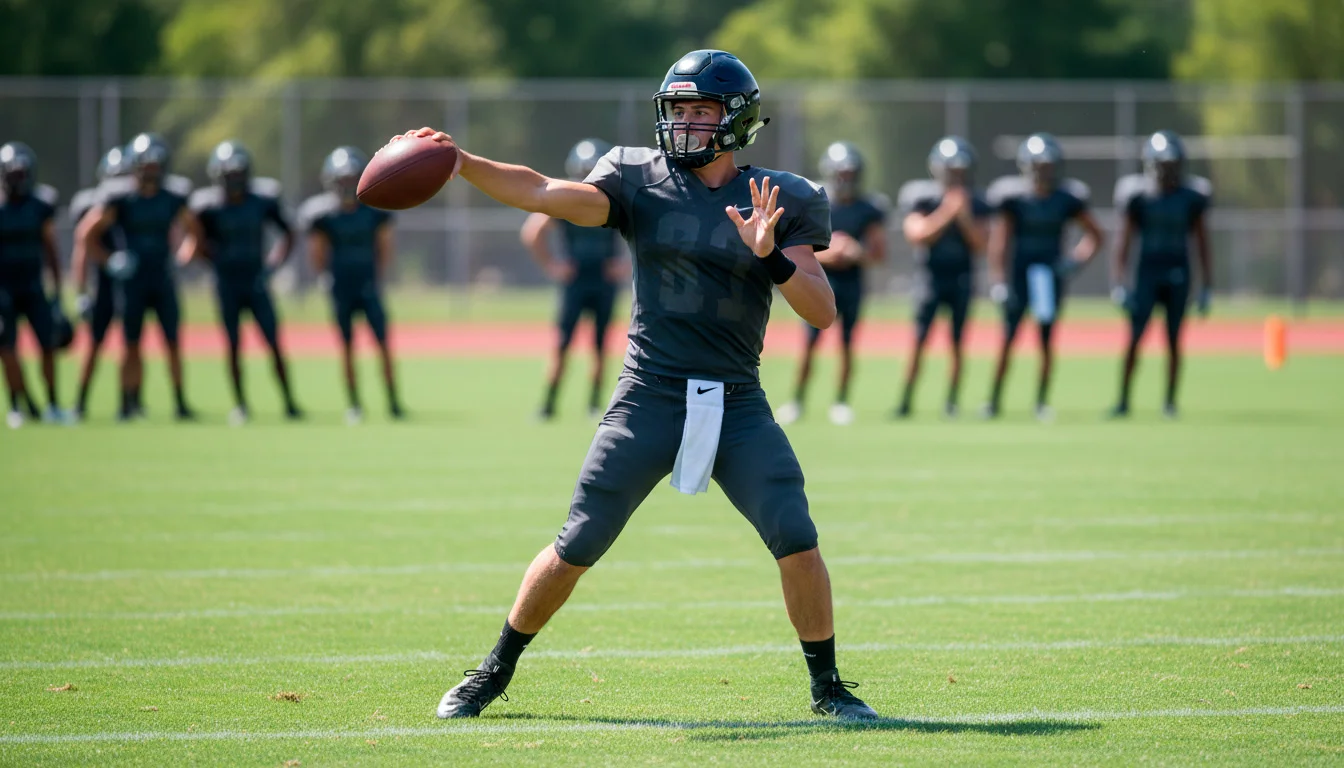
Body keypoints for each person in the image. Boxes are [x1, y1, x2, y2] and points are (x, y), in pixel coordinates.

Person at [405, 49, 878, 722]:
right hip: (649, 393)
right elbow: (543, 192)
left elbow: (822, 311)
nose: (684, 123)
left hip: (735, 399)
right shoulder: (637, 178)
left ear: (737, 119)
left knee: (795, 535)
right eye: (677, 109)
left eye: (701, 110)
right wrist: (463, 163)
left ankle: (827, 688)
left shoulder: (779, 197)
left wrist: (769, 255)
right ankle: (492, 671)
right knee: (578, 542)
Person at [76, 132, 200, 422]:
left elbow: (193, 230)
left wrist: (183, 257)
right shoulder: (120, 197)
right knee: (130, 344)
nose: (151, 172)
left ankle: (180, 403)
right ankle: (126, 402)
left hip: (162, 278)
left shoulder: (173, 196)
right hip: (132, 281)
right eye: (146, 166)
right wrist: (109, 260)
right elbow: (86, 234)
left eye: (155, 166)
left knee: (172, 342)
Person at [983, 133, 1104, 421]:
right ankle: (994, 400)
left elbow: (1095, 234)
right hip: (1019, 275)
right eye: (1038, 166)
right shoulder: (1013, 197)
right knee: (1008, 338)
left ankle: (1041, 401)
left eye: (1047, 166)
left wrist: (1074, 262)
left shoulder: (1066, 198)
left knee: (1046, 341)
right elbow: (1000, 241)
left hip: (1049, 277)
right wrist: (998, 280)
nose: (1043, 172)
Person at [181, 140, 302, 425]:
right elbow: (195, 241)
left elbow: (289, 232)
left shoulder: (262, 199)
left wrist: (273, 266)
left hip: (256, 281)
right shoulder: (206, 207)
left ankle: (289, 403)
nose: (234, 180)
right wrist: (211, 261)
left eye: (238, 173)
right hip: (227, 284)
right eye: (229, 174)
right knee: (233, 345)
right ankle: (240, 404)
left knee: (273, 343)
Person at [776, 141, 886, 426]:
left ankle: (841, 401)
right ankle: (797, 400)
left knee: (847, 343)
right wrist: (830, 252)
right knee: (810, 343)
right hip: (818, 280)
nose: (846, 179)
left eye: (850, 173)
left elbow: (878, 253)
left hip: (851, 282)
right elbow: (798, 249)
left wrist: (856, 252)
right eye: (841, 173)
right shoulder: (817, 201)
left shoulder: (868, 208)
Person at [520, 138, 628, 420]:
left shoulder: (611, 200)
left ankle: (587, 404)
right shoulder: (571, 199)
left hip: (599, 280)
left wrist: (626, 264)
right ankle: (552, 403)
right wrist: (553, 265)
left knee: (597, 345)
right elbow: (533, 232)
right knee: (567, 344)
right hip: (580, 280)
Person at [1109, 131, 1213, 419]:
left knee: (1174, 340)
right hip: (1147, 272)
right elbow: (1123, 241)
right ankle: (1123, 400)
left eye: (1171, 164)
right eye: (1163, 164)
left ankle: (1169, 402)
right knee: (1135, 337)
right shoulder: (1137, 195)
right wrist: (1119, 282)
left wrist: (1207, 286)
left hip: (1179, 270)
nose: (1167, 170)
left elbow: (1202, 242)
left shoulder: (1191, 196)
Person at [298, 147, 402, 424]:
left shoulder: (374, 211)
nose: (346, 185)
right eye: (342, 179)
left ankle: (393, 401)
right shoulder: (323, 214)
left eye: (351, 179)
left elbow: (385, 247)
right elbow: (317, 252)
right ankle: (354, 403)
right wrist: (325, 277)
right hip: (341, 286)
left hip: (368, 284)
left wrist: (377, 277)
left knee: (383, 344)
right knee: (346, 346)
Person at [894, 136, 990, 419]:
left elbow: (981, 244)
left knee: (958, 342)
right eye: (950, 170)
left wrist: (964, 215)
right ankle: (905, 401)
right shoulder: (922, 197)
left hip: (962, 277)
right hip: (930, 278)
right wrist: (948, 211)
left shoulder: (976, 201)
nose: (955, 176)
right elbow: (917, 234)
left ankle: (952, 401)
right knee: (919, 340)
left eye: (959, 171)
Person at [0, 141, 66, 428]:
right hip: (3, 290)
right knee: (7, 348)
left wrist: (57, 290)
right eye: (13, 174)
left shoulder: (40, 205)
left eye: (21, 173)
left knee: (48, 344)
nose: (18, 179)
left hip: (33, 285)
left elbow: (51, 248)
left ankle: (52, 404)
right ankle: (18, 405)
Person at [70, 146, 130, 421]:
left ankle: (128, 404)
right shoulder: (93, 205)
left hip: (129, 284)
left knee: (131, 344)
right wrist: (81, 292)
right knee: (95, 343)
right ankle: (80, 402)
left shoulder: (134, 203)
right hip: (103, 284)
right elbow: (82, 248)